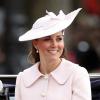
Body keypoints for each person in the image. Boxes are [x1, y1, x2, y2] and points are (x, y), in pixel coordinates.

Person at [15, 8, 91, 100]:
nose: (54, 45)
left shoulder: (77, 74)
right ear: (35, 43)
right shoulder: (23, 78)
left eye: (59, 39)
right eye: (47, 39)